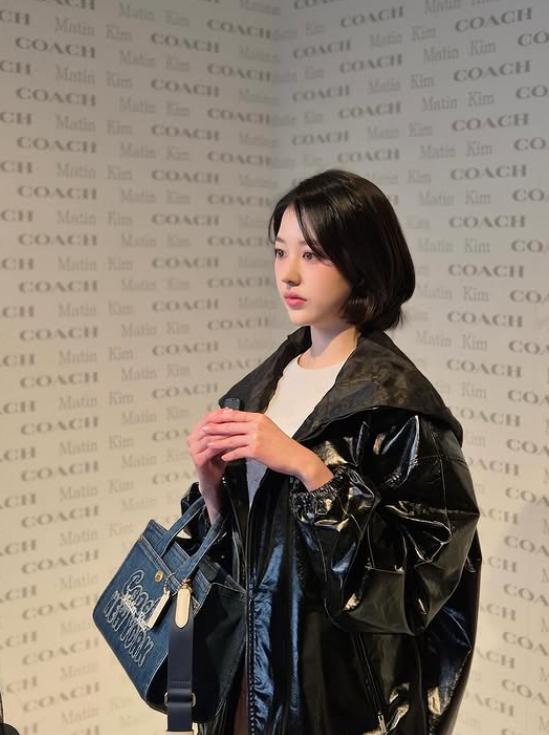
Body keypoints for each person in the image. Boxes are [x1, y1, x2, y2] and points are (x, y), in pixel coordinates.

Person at [184, 169, 482, 735]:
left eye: (313, 254)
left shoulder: (399, 411)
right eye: (280, 251)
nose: (288, 274)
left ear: (361, 262)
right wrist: (211, 487)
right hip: (247, 683)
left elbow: (417, 586)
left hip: (337, 700)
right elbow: (244, 559)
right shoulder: (263, 388)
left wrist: (309, 468)